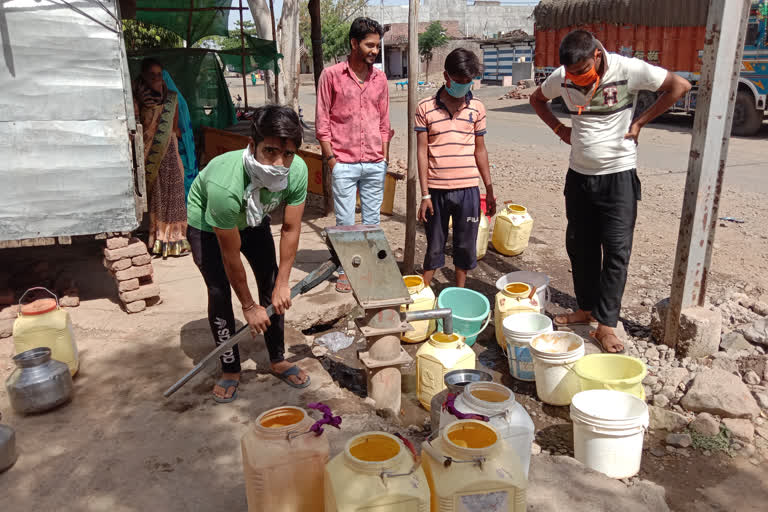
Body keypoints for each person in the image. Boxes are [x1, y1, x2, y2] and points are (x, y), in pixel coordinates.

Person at [529, 30, 691, 353]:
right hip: (579, 177)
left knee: (616, 251)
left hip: (618, 178)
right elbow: (537, 99)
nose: (575, 79)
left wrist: (641, 121)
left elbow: (679, 87)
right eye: (570, 74)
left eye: (581, 72)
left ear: (597, 57)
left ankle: (605, 325)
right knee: (580, 246)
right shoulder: (563, 77)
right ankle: (586, 309)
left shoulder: (627, 69)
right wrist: (559, 128)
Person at [186, 105, 310, 403]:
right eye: (269, 152)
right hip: (208, 223)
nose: (279, 163)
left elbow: (291, 230)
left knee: (271, 284)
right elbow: (231, 255)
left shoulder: (297, 172)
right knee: (218, 291)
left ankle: (278, 358)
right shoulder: (224, 186)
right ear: (251, 146)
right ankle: (230, 368)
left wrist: (283, 282)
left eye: (288, 154)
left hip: (254, 218)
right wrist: (248, 305)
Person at [315, 17, 392, 293]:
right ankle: (347, 269)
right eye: (369, 45)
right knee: (346, 223)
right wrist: (331, 160)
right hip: (343, 163)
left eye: (377, 46)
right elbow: (322, 122)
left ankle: (367, 268)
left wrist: (383, 157)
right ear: (353, 43)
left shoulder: (380, 79)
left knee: (372, 222)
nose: (374, 50)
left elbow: (385, 122)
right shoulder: (332, 76)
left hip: (374, 163)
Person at [416, 48, 496, 288]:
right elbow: (422, 152)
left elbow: (480, 150)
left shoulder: (477, 108)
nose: (464, 87)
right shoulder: (425, 108)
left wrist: (489, 188)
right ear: (446, 76)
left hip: (468, 191)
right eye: (459, 81)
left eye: (468, 82)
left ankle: (460, 293)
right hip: (436, 191)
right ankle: (423, 293)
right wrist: (425, 194)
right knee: (434, 245)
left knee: (465, 246)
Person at [133, 58, 190, 258]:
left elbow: (173, 129)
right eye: (152, 74)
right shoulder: (137, 98)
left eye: (159, 74)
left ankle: (176, 240)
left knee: (174, 195)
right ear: (144, 76)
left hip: (169, 152)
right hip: (150, 155)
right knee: (157, 196)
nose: (156, 78)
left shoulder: (171, 97)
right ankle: (159, 239)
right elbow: (137, 128)